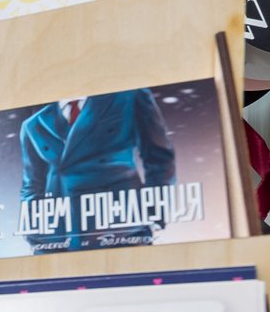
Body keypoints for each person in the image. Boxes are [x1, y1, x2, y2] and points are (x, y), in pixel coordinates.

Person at [19, 88, 175, 252]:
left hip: (120, 230)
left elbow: (159, 158)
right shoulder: (33, 124)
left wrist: (155, 214)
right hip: (58, 238)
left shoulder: (129, 98)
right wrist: (33, 231)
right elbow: (32, 185)